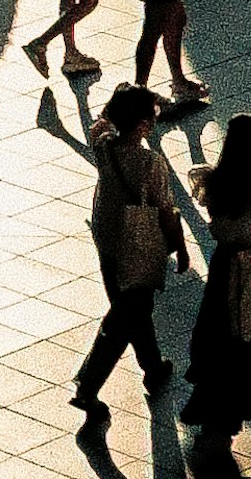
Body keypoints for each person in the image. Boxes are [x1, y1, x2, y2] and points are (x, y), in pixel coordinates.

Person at [75, 87, 195, 421]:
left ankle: (153, 367)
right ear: (143, 125)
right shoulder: (149, 163)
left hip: (108, 238)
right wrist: (181, 247)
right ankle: (87, 386)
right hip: (137, 244)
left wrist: (114, 105)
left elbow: (98, 126)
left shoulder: (103, 148)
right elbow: (166, 211)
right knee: (127, 314)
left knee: (132, 305)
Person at [183, 113, 251, 475]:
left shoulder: (214, 181)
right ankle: (240, 410)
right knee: (250, 339)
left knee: (220, 338)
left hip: (223, 267)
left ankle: (243, 403)